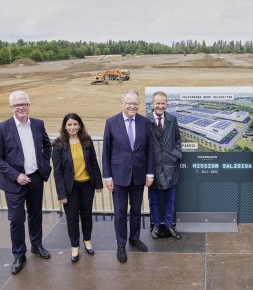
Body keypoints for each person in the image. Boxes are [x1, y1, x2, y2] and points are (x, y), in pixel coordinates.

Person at [0, 91, 52, 275]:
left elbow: (47, 146)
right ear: (11, 108)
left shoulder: (38, 124)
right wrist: (16, 175)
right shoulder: (1, 128)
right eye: (17, 105)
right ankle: (19, 254)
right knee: (16, 219)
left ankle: (36, 245)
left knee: (35, 214)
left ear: (29, 105)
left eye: (24, 104)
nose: (21, 107)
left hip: (35, 179)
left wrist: (43, 165)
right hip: (14, 183)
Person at [102, 90, 154, 263]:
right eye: (129, 103)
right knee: (120, 212)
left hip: (139, 176)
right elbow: (106, 151)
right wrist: (107, 176)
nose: (132, 106)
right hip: (119, 176)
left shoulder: (145, 122)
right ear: (122, 102)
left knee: (137, 210)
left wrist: (150, 172)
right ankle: (121, 244)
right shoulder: (111, 123)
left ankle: (134, 238)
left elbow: (149, 150)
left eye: (135, 104)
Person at [52, 113, 103, 263]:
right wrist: (62, 193)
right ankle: (74, 246)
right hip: (70, 188)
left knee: (87, 215)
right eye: (69, 125)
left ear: (80, 125)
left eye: (75, 124)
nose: (72, 127)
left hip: (87, 185)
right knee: (72, 218)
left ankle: (87, 240)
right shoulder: (58, 145)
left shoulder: (86, 140)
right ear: (64, 127)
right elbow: (57, 172)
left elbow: (93, 162)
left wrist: (98, 183)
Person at [147, 91, 183, 240]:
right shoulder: (145, 121)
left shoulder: (172, 119)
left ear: (166, 104)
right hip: (152, 167)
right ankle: (156, 225)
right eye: (158, 103)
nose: (160, 106)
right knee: (154, 200)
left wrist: (176, 155)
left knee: (170, 199)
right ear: (152, 104)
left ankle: (169, 225)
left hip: (170, 167)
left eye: (163, 103)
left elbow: (177, 140)